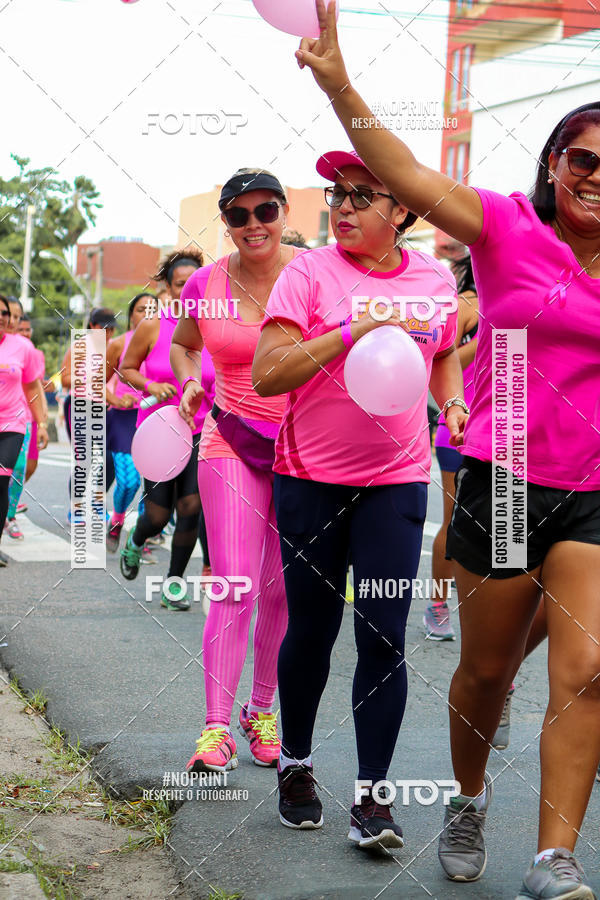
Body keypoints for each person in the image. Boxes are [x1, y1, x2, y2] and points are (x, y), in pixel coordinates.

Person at [297, 9, 600, 897]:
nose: (595, 177)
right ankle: (467, 797)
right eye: (582, 158)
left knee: (586, 669)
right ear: (555, 162)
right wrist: (339, 85)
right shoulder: (506, 228)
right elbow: (403, 172)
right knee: (486, 671)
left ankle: (553, 857)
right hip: (506, 481)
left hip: (595, 491)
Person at [252, 150, 461, 846]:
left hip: (396, 482)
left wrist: (453, 402)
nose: (342, 207)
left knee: (382, 634)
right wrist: (349, 332)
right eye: (337, 194)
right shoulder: (309, 273)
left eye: (361, 195)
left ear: (401, 208)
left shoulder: (434, 278)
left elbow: (442, 354)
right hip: (309, 479)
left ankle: (374, 800)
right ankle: (298, 763)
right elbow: (269, 371)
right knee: (311, 631)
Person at [171, 168, 301, 772]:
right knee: (233, 585)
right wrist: (192, 385)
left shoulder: (311, 275)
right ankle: (216, 727)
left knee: (279, 590)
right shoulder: (204, 281)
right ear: (225, 222)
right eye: (239, 215)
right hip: (229, 437)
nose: (253, 225)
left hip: (303, 446)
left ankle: (262, 709)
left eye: (265, 211)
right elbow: (184, 342)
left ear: (283, 213)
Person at [119, 250, 215, 610]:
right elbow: (126, 368)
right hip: (159, 431)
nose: (189, 291)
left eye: (195, 284)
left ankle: (174, 584)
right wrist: (150, 385)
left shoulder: (214, 326)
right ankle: (136, 538)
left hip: (200, 429)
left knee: (191, 505)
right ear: (169, 288)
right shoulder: (153, 325)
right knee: (158, 516)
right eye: (181, 285)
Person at [425, 255, 478, 641]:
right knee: (454, 518)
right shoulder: (466, 304)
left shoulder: (525, 302)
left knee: (501, 525)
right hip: (459, 425)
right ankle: (438, 603)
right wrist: (487, 339)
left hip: (505, 430)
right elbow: (438, 360)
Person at [105, 292, 157, 553]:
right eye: (141, 309)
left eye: (153, 309)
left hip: (158, 418)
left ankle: (142, 535)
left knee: (154, 482)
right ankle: (117, 520)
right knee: (128, 481)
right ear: (130, 315)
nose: (147, 314)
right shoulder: (117, 344)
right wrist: (115, 398)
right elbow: (96, 381)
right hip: (124, 418)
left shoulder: (169, 342)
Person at [0, 294, 48, 566]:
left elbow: (32, 386)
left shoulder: (23, 347)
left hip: (13, 421)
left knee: (3, 478)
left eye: (5, 313)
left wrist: (41, 423)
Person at [61, 308, 117, 521]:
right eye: (104, 327)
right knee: (84, 459)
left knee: (110, 459)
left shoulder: (115, 348)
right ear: (93, 326)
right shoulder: (79, 347)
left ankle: (97, 501)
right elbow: (65, 380)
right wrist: (89, 380)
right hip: (80, 405)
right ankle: (76, 507)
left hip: (106, 409)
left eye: (111, 328)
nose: (108, 332)